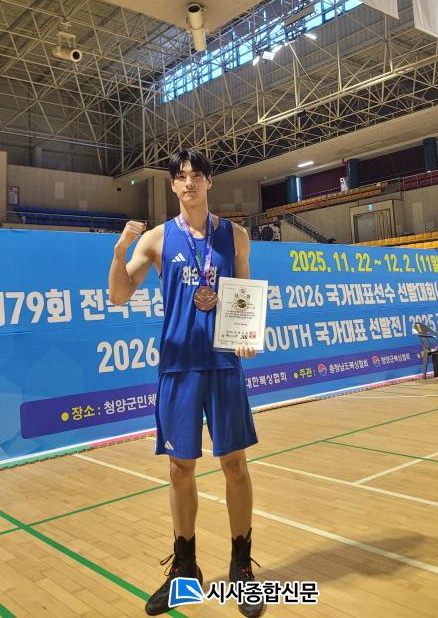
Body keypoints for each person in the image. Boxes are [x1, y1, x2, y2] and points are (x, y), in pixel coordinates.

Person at [108, 148, 265, 617]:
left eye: (197, 175)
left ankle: (241, 567)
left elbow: (243, 293)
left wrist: (247, 334)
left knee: (234, 465)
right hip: (178, 367)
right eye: (181, 176)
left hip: (223, 366)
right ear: (173, 185)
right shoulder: (157, 239)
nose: (189, 182)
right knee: (180, 469)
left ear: (210, 181)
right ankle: (185, 570)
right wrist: (119, 252)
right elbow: (118, 294)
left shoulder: (235, 235)